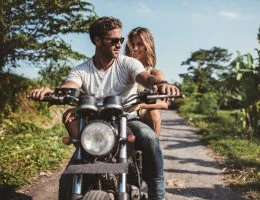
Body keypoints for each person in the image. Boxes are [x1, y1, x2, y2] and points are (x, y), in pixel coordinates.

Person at [29, 16, 179, 200]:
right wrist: (50, 92)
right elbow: (69, 87)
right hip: (92, 124)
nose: (119, 45)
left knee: (149, 138)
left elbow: (146, 78)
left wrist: (162, 83)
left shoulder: (128, 63)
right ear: (97, 40)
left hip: (127, 119)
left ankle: (157, 194)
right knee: (66, 181)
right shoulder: (81, 70)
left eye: (121, 40)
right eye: (113, 40)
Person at [124, 27, 168, 136]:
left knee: (154, 112)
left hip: (142, 114)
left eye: (140, 44)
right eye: (132, 44)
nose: (134, 48)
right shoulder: (121, 68)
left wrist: (140, 106)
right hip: (121, 111)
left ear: (148, 46)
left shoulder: (155, 74)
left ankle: (154, 150)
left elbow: (164, 103)